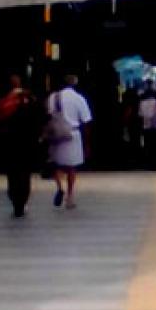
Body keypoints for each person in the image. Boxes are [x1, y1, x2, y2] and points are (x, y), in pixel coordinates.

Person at [0, 75, 43, 217]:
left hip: (10, 144)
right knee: (24, 174)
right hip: (27, 143)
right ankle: (21, 201)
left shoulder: (5, 101)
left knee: (13, 174)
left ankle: (16, 201)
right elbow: (38, 118)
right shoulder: (30, 99)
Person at [47, 74, 92, 209]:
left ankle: (60, 187)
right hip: (72, 134)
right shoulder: (79, 98)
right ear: (75, 84)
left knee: (54, 164)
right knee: (72, 167)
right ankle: (70, 196)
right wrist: (87, 143)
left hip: (55, 134)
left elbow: (47, 115)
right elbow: (86, 120)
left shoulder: (52, 98)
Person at [138, 80, 156, 169]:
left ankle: (148, 163)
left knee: (147, 145)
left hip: (146, 127)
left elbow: (140, 114)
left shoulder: (142, 102)